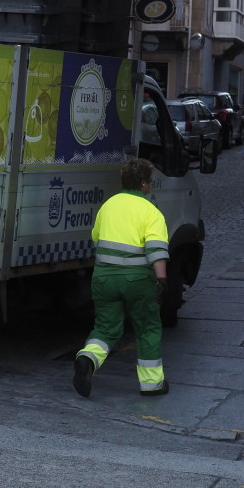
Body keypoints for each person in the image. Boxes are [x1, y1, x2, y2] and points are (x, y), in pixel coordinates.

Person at [73, 158, 170, 398]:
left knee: (105, 328)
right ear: (144, 184)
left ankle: (88, 358)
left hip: (105, 278)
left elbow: (96, 237)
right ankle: (151, 384)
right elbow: (156, 248)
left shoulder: (108, 206)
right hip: (137, 280)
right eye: (150, 182)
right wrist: (162, 279)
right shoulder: (151, 211)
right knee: (147, 328)